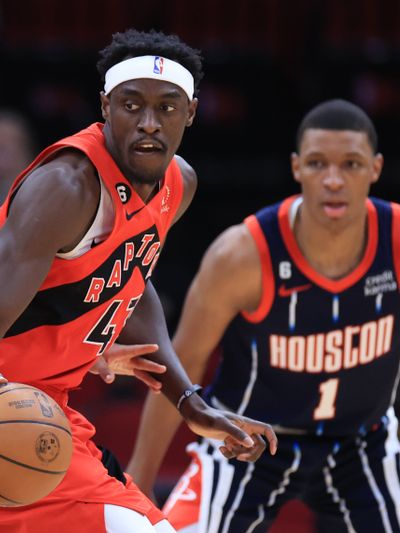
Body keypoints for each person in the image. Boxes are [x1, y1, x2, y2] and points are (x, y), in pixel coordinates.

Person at [0, 29, 278, 533]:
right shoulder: (67, 188)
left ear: (191, 112)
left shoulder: (179, 184)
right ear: (105, 105)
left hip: (52, 415)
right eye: (131, 105)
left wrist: (189, 403)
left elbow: (133, 281)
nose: (149, 123)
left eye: (167, 108)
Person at [128, 99, 400, 532]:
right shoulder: (242, 254)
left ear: (376, 168)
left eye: (351, 164)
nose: (333, 180)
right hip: (248, 437)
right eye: (317, 164)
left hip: (362, 439)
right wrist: (140, 475)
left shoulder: (396, 239)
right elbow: (182, 361)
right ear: (296, 168)